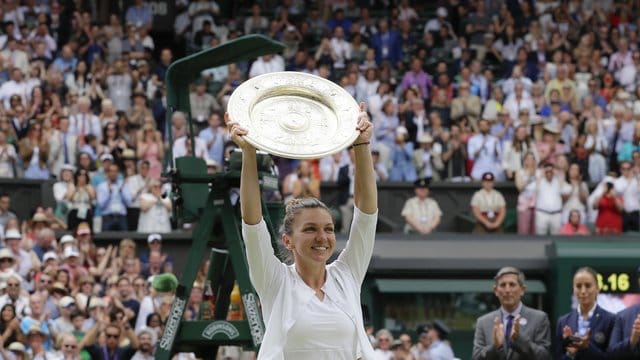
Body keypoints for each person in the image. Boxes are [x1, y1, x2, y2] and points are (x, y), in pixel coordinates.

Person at [227, 101, 378, 359]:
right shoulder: (275, 281)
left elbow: (366, 215)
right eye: (310, 229)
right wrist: (249, 153)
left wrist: (361, 145)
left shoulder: (347, 276)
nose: (322, 237)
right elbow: (252, 223)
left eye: (329, 229)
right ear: (288, 241)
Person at [472, 266, 551, 360]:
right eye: (503, 285)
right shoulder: (483, 322)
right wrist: (495, 346)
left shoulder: (539, 318)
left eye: (512, 284)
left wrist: (519, 339)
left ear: (522, 290)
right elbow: (476, 358)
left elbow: (544, 356)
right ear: (496, 291)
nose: (507, 290)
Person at [555, 267, 615, 359]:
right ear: (573, 289)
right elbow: (558, 356)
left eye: (588, 286)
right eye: (578, 286)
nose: (583, 291)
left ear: (597, 289)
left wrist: (587, 347)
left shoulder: (610, 320)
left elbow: (613, 357)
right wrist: (570, 354)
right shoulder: (563, 322)